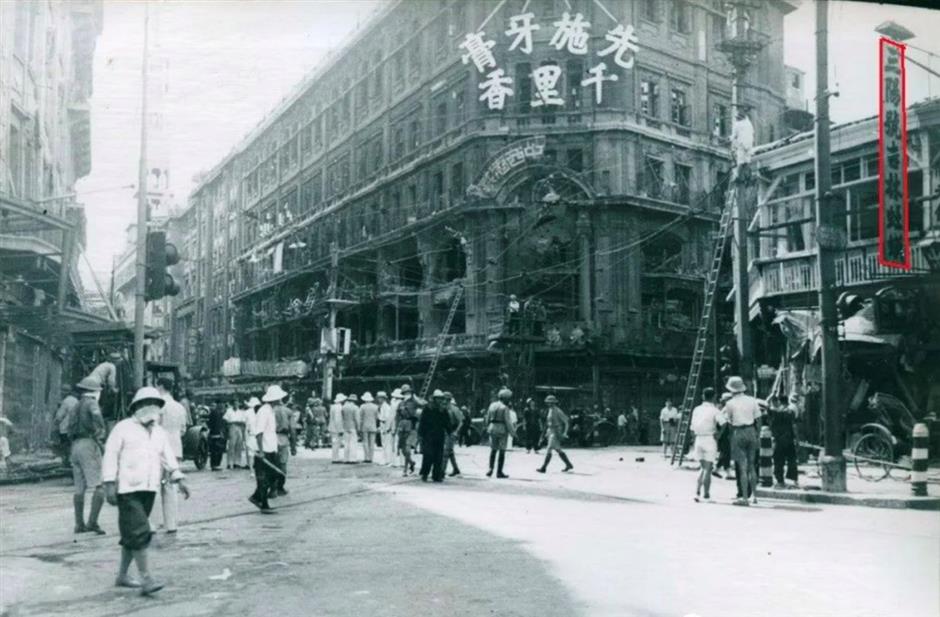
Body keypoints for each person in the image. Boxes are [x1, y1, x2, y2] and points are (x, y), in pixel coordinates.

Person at [103, 386, 191, 595]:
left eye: (155, 404)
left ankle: (122, 576)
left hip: (149, 489)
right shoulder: (123, 428)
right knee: (141, 531)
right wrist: (108, 483)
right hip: (127, 489)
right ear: (137, 407)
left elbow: (167, 457)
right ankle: (146, 579)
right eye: (145, 404)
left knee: (131, 535)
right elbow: (110, 455)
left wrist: (179, 479)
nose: (150, 408)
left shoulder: (159, 433)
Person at [69, 376, 107, 535]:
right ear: (94, 392)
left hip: (75, 446)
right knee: (99, 486)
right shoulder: (92, 403)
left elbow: (69, 426)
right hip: (88, 444)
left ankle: (79, 524)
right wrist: (100, 436)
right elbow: (97, 419)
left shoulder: (76, 405)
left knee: (79, 488)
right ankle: (92, 522)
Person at [155, 378, 188, 534]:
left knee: (155, 485)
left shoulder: (159, 405)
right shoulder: (180, 407)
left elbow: (154, 428)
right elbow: (183, 430)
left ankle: (153, 524)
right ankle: (171, 524)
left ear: (160, 386)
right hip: (176, 447)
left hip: (160, 449)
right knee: (171, 486)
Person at [723, 376, 762, 506]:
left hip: (738, 432)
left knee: (742, 467)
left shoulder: (729, 404)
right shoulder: (752, 401)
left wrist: (731, 437)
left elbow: (729, 422)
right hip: (751, 430)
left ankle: (745, 497)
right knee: (752, 466)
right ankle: (755, 496)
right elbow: (759, 419)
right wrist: (757, 434)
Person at [690, 387, 725, 502]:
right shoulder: (715, 410)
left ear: (703, 397)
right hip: (710, 439)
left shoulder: (696, 409)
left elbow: (692, 428)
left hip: (698, 439)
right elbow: (724, 423)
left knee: (703, 467)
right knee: (708, 469)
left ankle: (697, 492)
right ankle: (706, 494)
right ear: (714, 397)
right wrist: (719, 434)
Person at [248, 390, 278, 514]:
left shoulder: (271, 411)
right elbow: (259, 432)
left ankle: (257, 497)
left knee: (273, 476)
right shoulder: (264, 411)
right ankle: (263, 503)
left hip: (271, 447)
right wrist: (260, 450)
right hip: (264, 449)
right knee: (264, 478)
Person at [264, 385, 295, 496]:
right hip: (283, 437)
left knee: (271, 463)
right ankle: (280, 487)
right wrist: (293, 446)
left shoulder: (267, 410)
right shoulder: (288, 411)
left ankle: (272, 488)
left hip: (270, 438)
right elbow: (292, 430)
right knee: (282, 463)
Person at [418, 391, 452, 482]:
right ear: (434, 398)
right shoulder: (428, 409)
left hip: (439, 435)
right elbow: (422, 422)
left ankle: (436, 475)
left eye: (441, 398)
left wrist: (449, 431)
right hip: (428, 435)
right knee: (428, 455)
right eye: (438, 398)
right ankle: (425, 473)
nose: (439, 400)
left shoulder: (443, 410)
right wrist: (421, 434)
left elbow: (447, 423)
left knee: (438, 456)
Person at [537, 395, 574, 473]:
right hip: (550, 430)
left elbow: (566, 422)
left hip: (556, 430)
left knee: (549, 448)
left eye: (551, 402)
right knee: (558, 449)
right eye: (548, 402)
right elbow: (547, 422)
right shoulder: (550, 410)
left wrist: (565, 432)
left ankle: (543, 467)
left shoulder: (558, 411)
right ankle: (568, 464)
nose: (549, 404)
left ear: (554, 403)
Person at [485, 388, 516, 478]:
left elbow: (487, 417)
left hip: (492, 427)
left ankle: (490, 469)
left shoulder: (492, 405)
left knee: (493, 449)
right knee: (502, 451)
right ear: (505, 398)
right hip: (502, 429)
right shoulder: (505, 408)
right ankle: (499, 472)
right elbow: (508, 422)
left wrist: (487, 427)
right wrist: (513, 433)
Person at [771, 394, 800, 489]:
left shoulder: (775, 412)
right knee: (791, 460)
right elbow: (794, 426)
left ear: (779, 401)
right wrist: (797, 439)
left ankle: (780, 480)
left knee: (778, 460)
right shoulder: (790, 412)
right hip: (789, 439)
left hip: (779, 440)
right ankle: (793, 480)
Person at [53, 385, 79, 465]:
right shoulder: (76, 400)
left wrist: (55, 423)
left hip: (65, 428)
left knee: (65, 445)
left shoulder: (66, 402)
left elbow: (59, 416)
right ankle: (73, 461)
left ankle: (67, 461)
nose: (61, 393)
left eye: (63, 391)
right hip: (74, 427)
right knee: (72, 444)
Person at [396, 385, 419, 476]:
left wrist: (415, 397)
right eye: (405, 393)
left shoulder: (415, 402)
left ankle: (405, 470)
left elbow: (424, 404)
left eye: (408, 393)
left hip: (411, 426)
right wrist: (396, 427)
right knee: (402, 450)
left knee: (407, 448)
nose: (407, 394)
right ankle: (411, 463)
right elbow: (397, 416)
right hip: (402, 426)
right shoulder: (400, 403)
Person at [715, 392, 735, 480]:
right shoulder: (728, 408)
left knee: (725, 451)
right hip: (726, 432)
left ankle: (719, 469)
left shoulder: (724, 408)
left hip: (723, 431)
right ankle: (724, 471)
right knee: (726, 451)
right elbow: (727, 423)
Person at [223, 399, 248, 469]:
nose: (236, 405)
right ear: (232, 404)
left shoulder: (241, 412)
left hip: (239, 428)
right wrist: (230, 424)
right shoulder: (229, 411)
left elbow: (243, 422)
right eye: (234, 403)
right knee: (231, 446)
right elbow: (225, 420)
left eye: (237, 403)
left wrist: (237, 422)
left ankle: (237, 462)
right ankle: (229, 463)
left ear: (238, 404)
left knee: (239, 445)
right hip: (232, 427)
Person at [443, 392, 463, 477]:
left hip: (451, 431)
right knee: (450, 452)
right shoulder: (443, 408)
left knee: (446, 452)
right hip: (444, 431)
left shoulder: (454, 409)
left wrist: (456, 432)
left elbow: (461, 422)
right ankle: (456, 469)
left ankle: (442, 471)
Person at [357, 392, 379, 463]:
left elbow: (360, 417)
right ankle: (371, 457)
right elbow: (377, 417)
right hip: (373, 425)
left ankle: (366, 457)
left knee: (365, 442)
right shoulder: (375, 407)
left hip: (365, 426)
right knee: (372, 443)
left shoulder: (362, 406)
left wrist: (359, 427)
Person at [244, 396, 261, 479]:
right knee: (259, 453)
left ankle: (252, 471)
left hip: (251, 435)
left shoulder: (247, 412)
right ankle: (258, 470)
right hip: (259, 435)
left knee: (251, 455)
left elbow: (245, 424)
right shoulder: (261, 412)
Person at [377, 391, 396, 466]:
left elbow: (387, 418)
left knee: (387, 444)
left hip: (385, 425)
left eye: (380, 398)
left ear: (383, 398)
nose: (379, 399)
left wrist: (386, 428)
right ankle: (385, 459)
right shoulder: (383, 406)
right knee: (384, 444)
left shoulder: (386, 407)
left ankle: (387, 459)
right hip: (383, 425)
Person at [206, 402, 226, 471]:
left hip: (214, 434)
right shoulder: (217, 414)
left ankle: (214, 465)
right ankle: (216, 465)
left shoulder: (213, 413)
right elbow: (218, 425)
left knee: (214, 451)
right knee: (217, 450)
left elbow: (210, 424)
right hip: (216, 434)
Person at [341, 393, 361, 464]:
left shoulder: (344, 407)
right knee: (353, 443)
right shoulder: (355, 408)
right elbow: (357, 419)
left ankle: (346, 458)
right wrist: (358, 428)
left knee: (346, 443)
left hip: (345, 426)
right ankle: (352, 459)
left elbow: (342, 417)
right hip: (353, 427)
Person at [329, 394, 346, 464]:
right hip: (336, 429)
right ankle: (336, 458)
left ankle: (334, 457)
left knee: (334, 443)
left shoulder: (333, 407)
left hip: (332, 428)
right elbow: (338, 419)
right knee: (337, 443)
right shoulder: (339, 407)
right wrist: (340, 429)